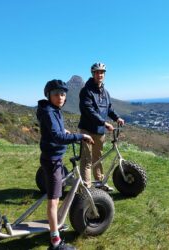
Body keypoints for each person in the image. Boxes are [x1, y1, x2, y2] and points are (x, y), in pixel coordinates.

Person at [37, 79, 94, 250]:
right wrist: (80, 136)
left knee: (58, 192)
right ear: (49, 95)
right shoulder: (48, 111)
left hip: (53, 157)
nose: (60, 97)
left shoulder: (53, 110)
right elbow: (57, 137)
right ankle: (55, 241)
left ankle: (57, 225)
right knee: (53, 201)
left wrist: (65, 131)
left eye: (62, 94)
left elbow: (56, 131)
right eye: (56, 94)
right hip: (52, 160)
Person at [78, 62, 125, 191]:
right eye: (97, 72)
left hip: (99, 131)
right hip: (87, 130)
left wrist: (117, 118)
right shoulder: (86, 91)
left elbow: (109, 108)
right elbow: (88, 110)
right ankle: (86, 188)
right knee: (86, 160)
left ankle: (100, 183)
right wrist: (104, 123)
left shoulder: (105, 93)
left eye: (102, 72)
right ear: (93, 74)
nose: (100, 74)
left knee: (98, 158)